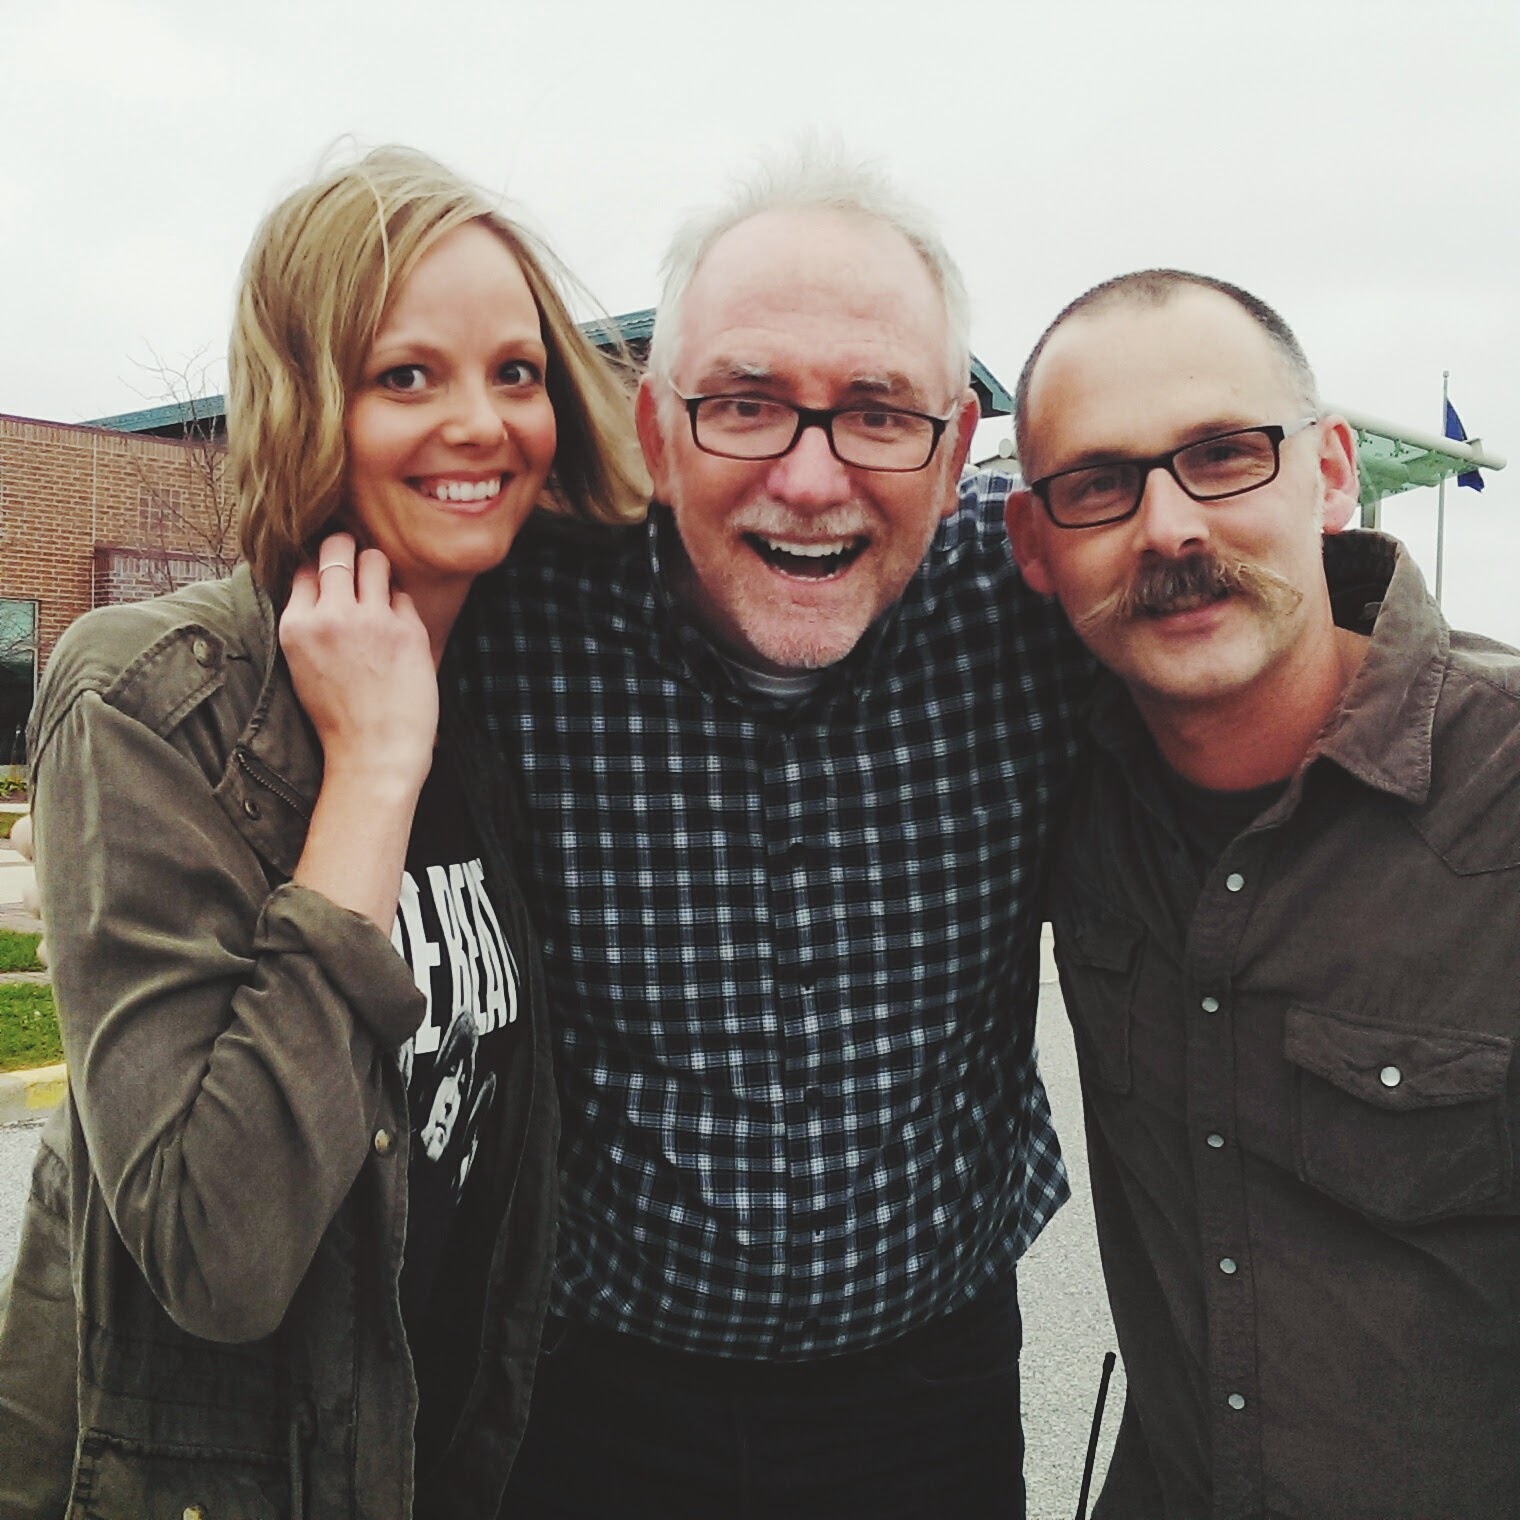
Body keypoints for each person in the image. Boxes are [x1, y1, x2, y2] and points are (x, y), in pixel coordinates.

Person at [0, 146, 644, 1518]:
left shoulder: (507, 677)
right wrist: (371, 772)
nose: (481, 422)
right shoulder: (146, 700)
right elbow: (216, 1253)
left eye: (516, 372)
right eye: (406, 375)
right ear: (304, 397)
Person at [471, 151, 1092, 1518]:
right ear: (654, 430)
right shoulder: (510, 615)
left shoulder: (1039, 614)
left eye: (878, 413)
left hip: (930, 1393)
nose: (810, 479)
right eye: (745, 404)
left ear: (959, 445)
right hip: (587, 1396)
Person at [1004, 269, 1520, 1518]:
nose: (1168, 527)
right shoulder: (1055, 781)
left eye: (1223, 454)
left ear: (1329, 472)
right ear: (1032, 544)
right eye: (1098, 482)